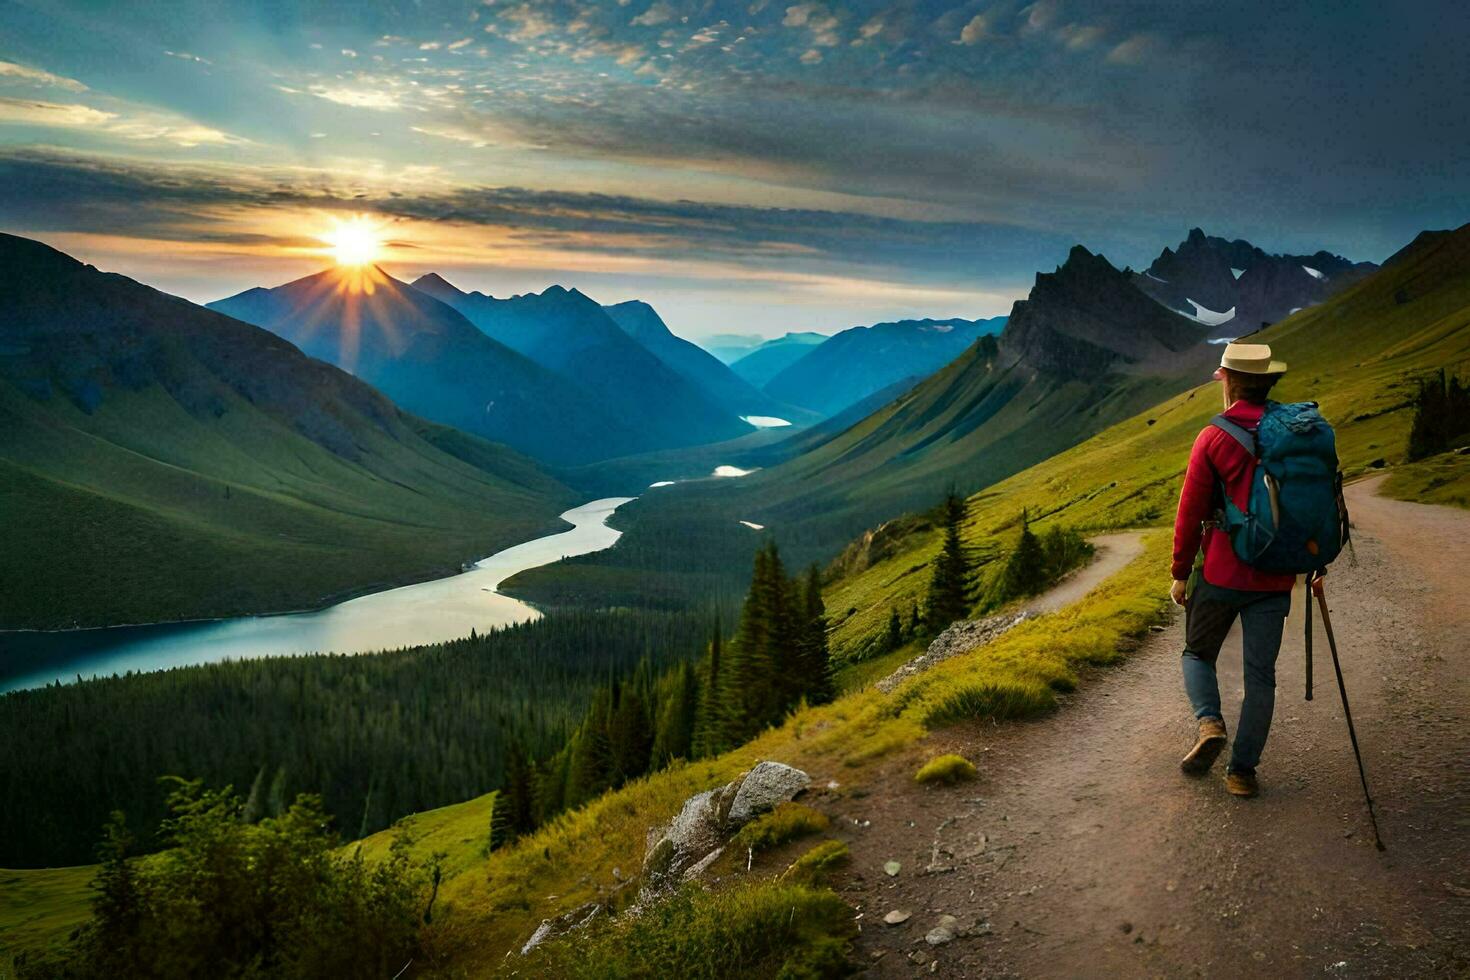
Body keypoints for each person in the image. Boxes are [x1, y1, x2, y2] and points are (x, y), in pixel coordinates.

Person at [1169, 342, 1296, 798]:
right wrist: (1317, 565)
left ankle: (1209, 723)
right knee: (1260, 677)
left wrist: (1181, 571)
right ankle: (1242, 772)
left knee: (1196, 654)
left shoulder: (1214, 436)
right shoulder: (1298, 431)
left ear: (1228, 382)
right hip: (1278, 572)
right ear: (1269, 382)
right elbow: (1319, 501)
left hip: (1223, 570)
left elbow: (1190, 511)